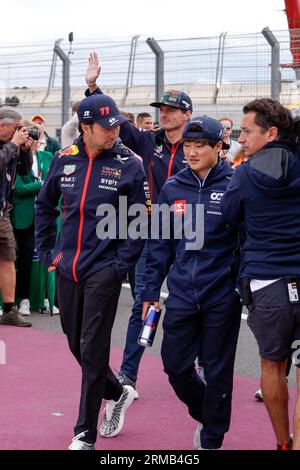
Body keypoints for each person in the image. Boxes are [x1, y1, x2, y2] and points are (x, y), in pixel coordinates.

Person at [35, 93, 148, 450]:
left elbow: (140, 219)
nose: (114, 132)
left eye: (116, 124)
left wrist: (121, 265)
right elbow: (44, 206)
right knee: (75, 342)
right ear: (85, 128)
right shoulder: (63, 159)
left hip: (105, 267)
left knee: (93, 346)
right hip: (68, 266)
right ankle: (117, 392)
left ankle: (84, 433)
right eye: (105, 127)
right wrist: (47, 253)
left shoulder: (130, 162)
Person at [85, 51, 193, 395]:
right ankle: (128, 375)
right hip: (150, 233)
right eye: (161, 109)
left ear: (187, 115)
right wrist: (93, 86)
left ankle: (201, 364)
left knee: (196, 299)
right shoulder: (147, 140)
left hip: (192, 234)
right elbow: (111, 122)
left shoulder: (200, 144)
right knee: (143, 304)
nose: (164, 114)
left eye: (171, 110)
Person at [142, 116, 242, 450]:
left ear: (219, 147)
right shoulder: (173, 186)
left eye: (200, 145)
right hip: (182, 292)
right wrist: (150, 291)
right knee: (175, 366)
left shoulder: (236, 184)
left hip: (222, 294)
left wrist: (239, 285)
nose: (192, 152)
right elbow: (160, 244)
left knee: (217, 369)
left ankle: (212, 438)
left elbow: (247, 240)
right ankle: (208, 414)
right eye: (187, 145)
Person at [220, 98, 300, 450]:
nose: (240, 138)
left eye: (247, 131)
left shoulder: (245, 174)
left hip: (268, 282)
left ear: (271, 133)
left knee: (272, 364)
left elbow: (228, 217)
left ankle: (284, 443)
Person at [0, 106, 32, 327]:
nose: (20, 131)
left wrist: (25, 150)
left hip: (2, 211)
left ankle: (10, 310)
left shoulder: (11, 147)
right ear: (2, 125)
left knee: (8, 257)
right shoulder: (7, 146)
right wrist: (14, 145)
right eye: (16, 127)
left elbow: (24, 172)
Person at [10, 120, 42, 316]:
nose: (33, 139)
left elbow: (24, 173)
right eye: (29, 133)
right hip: (13, 216)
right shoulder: (9, 151)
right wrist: (41, 184)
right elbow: (19, 188)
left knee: (26, 261)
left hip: (31, 218)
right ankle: (8, 301)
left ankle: (24, 300)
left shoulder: (34, 157)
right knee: (8, 261)